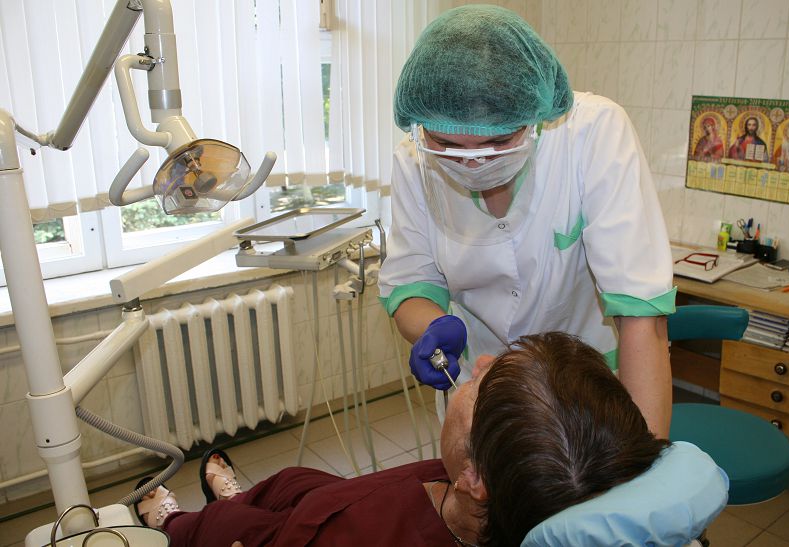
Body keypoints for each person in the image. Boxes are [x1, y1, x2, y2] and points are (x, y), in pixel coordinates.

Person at [377, 5, 675, 438]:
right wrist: (433, 328)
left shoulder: (591, 134)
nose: (473, 162)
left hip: (588, 396)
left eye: (499, 141)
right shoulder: (412, 159)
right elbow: (412, 283)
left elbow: (640, 311)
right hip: (480, 389)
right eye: (446, 144)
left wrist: (647, 459)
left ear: (537, 118)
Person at [136, 333, 669, 546]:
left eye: (481, 381)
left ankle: (175, 523)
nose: (480, 360)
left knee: (228, 525)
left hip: (298, 536)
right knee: (294, 480)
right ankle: (239, 499)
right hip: (336, 501)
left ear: (475, 477)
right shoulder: (491, 494)